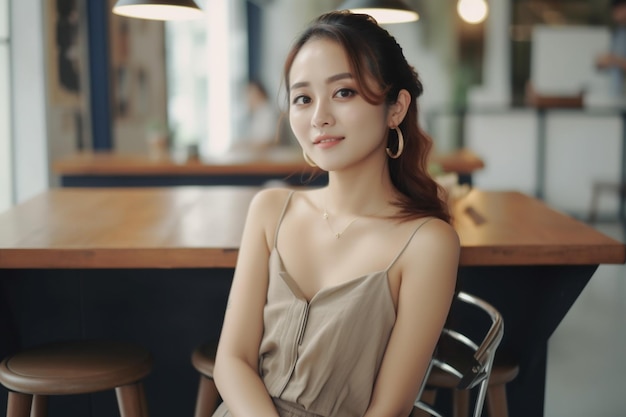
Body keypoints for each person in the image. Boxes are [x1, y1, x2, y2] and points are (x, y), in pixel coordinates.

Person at [212, 10, 460, 417]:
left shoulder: (427, 243)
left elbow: (389, 408)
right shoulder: (270, 209)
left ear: (396, 107)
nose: (319, 117)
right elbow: (231, 361)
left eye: (343, 92)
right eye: (303, 98)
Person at [233, 79, 280, 151]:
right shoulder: (257, 113)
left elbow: (267, 142)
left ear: (260, 94)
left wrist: (244, 147)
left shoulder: (268, 112)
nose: (247, 99)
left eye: (249, 94)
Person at [596, 0, 626, 98]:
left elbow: (616, 60)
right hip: (618, 94)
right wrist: (604, 62)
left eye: (618, 9)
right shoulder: (618, 33)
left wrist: (614, 60)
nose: (614, 14)